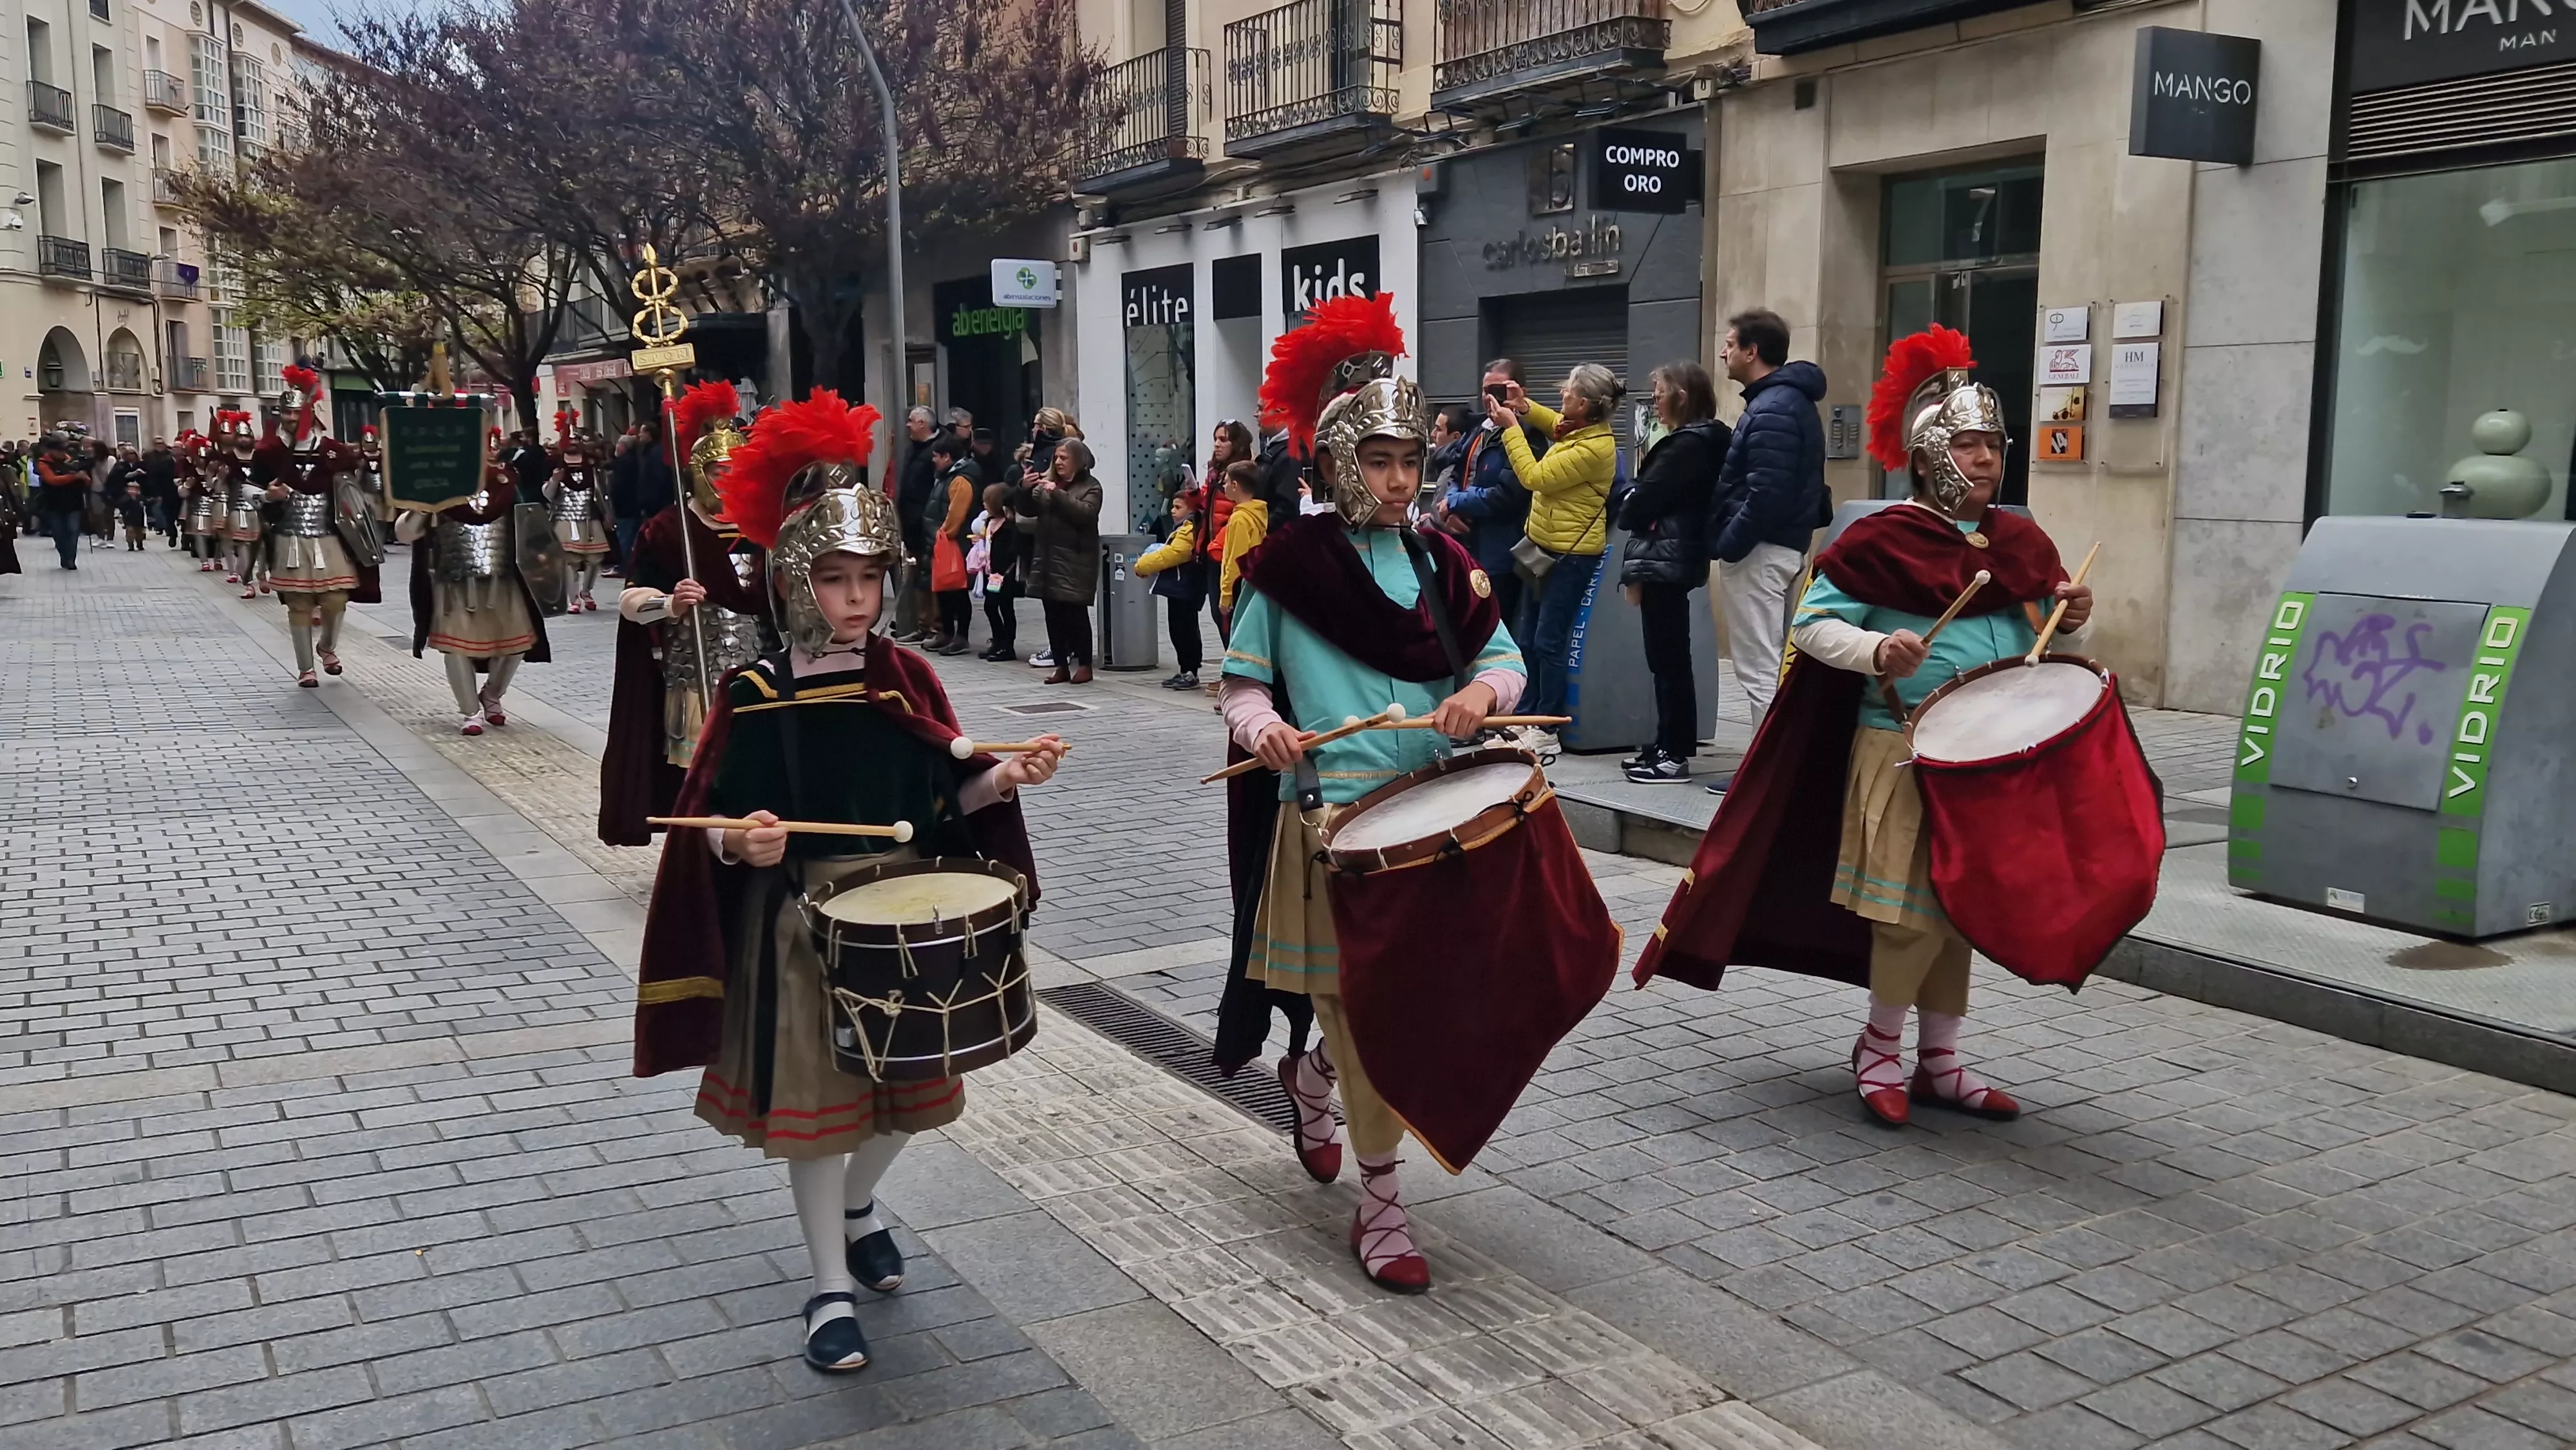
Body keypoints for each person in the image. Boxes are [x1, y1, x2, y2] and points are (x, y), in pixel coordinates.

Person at [630, 388, 1065, 1375]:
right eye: (834, 579)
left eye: (870, 577)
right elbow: (707, 823)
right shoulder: (756, 692)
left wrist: (1005, 774)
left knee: (918, 1105)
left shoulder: (908, 678)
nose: (857, 597)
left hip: (908, 917)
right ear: (797, 583)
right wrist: (744, 845)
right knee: (818, 1125)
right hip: (801, 927)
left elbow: (946, 791)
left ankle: (864, 1208)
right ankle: (829, 1283)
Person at [1634, 325, 2092, 1129]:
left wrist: (2071, 617)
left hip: (1991, 758)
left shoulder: (2020, 539)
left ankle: (1941, 1061)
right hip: (1904, 747)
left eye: (1993, 444)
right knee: (1909, 912)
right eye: (1970, 444)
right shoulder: (1880, 539)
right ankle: (1879, 1048)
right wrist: (1879, 646)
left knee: (1962, 914)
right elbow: (1810, 627)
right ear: (1929, 456)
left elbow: (2043, 632)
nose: (1986, 459)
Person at [1215, 292, 1526, 1295]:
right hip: (1331, 826)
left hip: (1435, 818)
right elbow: (1243, 681)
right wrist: (1263, 730)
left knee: (1415, 1004)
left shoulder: (1445, 561)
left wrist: (1480, 694)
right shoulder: (1288, 568)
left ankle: (1310, 1083)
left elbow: (1509, 660)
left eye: (1409, 461)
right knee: (1360, 1012)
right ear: (1337, 461)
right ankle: (1383, 1202)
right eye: (1379, 460)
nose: (1399, 480)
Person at [601, 381, 776, 847]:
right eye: (718, 471)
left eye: (736, 470)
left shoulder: (766, 528)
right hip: (693, 674)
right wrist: (670, 603)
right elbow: (631, 599)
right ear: (698, 472)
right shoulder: (668, 529)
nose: (727, 480)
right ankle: (698, 852)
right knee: (701, 776)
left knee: (756, 768)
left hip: (761, 672)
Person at [1707, 308, 1830, 744]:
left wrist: (1730, 543)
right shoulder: (1784, 402)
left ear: (1751, 351)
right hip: (1781, 546)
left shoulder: (1773, 408)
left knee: (1759, 667)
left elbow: (1767, 493)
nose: (1723, 354)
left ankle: (1762, 776)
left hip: (1762, 550)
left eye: (1730, 344)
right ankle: (1774, 769)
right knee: (1773, 663)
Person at [1615, 362, 1730, 784]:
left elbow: (1638, 505)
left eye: (1660, 393)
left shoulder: (1687, 446)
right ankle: (1666, 742)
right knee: (1667, 657)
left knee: (1668, 659)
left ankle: (1673, 753)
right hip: (1672, 557)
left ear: (1682, 395)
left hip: (1667, 559)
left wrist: (1633, 498)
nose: (1656, 403)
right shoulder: (1701, 442)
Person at [1488, 363, 1618, 736]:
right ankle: (1527, 711)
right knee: (1527, 635)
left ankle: (1546, 725)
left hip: (1570, 557)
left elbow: (1534, 477)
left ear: (1585, 403)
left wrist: (1512, 428)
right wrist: (1526, 407)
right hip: (1543, 548)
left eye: (1568, 391)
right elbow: (1554, 424)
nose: (1562, 394)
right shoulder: (1577, 429)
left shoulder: (1594, 447)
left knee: (1549, 641)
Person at [397, 428, 552, 735]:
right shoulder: (437, 487)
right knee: (455, 649)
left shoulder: (506, 484)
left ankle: (492, 694)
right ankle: (470, 712)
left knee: (517, 645)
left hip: (503, 579)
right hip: (453, 582)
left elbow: (530, 523)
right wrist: (423, 504)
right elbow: (404, 534)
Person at [256, 366, 379, 687]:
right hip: (289, 536)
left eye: (297, 413)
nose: (291, 419)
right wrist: (267, 495)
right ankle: (305, 669)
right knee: (298, 604)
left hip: (328, 535)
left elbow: (354, 489)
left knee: (336, 597)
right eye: (286, 413)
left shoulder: (333, 451)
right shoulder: (270, 452)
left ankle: (327, 646)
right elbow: (248, 486)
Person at [1442, 360, 1543, 634]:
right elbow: (1456, 472)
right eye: (1486, 389)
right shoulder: (1479, 430)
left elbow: (1507, 497)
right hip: (1464, 548)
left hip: (1500, 557)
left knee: (1495, 634)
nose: (1490, 398)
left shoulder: (1528, 436)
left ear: (1519, 391)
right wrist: (1449, 506)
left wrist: (1455, 502)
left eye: (1498, 389)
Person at [1012, 437, 1103, 684]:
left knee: (1075, 614)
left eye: (1065, 458)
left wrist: (1058, 494)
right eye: (1057, 457)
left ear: (1078, 460)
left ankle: (1084, 664)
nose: (1059, 462)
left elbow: (1085, 514)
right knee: (1052, 614)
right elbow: (1027, 509)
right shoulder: (1048, 482)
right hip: (1047, 559)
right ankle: (1061, 665)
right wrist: (1023, 488)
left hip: (1075, 559)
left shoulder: (1091, 487)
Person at [1133, 491, 1205, 689]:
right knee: (1177, 629)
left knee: (1186, 630)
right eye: (1173, 506)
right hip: (1178, 588)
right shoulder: (1181, 528)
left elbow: (1174, 553)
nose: (1172, 511)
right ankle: (1185, 669)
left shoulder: (1189, 529)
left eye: (1178, 507)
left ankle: (1191, 671)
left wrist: (1143, 565)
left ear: (1191, 510)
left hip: (1185, 588)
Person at [547, 419, 613, 612]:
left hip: (590, 518)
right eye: (571, 439)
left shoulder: (592, 468)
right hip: (565, 519)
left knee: (595, 558)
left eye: (577, 439)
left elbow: (601, 492)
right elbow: (548, 495)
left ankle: (587, 591)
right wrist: (554, 480)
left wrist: (608, 514)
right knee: (570, 561)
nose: (574, 442)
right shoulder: (556, 467)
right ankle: (573, 599)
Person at [925, 432, 980, 655]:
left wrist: (943, 533)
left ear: (947, 457)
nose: (933, 460)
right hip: (942, 541)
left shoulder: (961, 480)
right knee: (943, 590)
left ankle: (961, 636)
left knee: (957, 590)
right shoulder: (947, 476)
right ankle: (947, 633)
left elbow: (956, 515)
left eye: (936, 456)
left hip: (954, 542)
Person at [890, 408, 938, 644]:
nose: (907, 425)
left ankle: (936, 627)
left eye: (911, 421)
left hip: (928, 523)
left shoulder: (937, 449)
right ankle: (922, 625)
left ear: (922, 423)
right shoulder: (913, 448)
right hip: (911, 523)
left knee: (930, 576)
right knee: (917, 574)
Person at [976, 484, 1024, 662]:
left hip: (1005, 576)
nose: (984, 505)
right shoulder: (989, 523)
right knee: (990, 606)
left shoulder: (1009, 527)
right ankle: (998, 639)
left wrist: (1004, 573)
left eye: (987, 502)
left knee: (1006, 608)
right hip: (992, 575)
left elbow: (1011, 552)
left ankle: (1008, 645)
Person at [1215, 460, 1267, 618]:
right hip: (1252, 584)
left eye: (1226, 482)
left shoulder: (1240, 519)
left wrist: (1226, 595)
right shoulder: (1258, 513)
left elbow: (1236, 559)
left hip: (1239, 588)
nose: (1223, 486)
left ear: (1235, 486)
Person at [33, 440, 89, 570]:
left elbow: (86, 481)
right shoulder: (44, 463)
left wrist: (84, 478)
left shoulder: (72, 462)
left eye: (64, 450)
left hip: (74, 501)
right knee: (58, 532)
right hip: (54, 502)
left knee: (73, 530)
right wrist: (74, 477)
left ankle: (71, 559)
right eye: (59, 451)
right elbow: (52, 480)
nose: (62, 453)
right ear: (51, 451)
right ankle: (64, 555)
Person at [141, 438, 179, 545]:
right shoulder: (150, 456)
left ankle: (183, 537)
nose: (159, 445)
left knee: (179, 515)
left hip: (177, 489)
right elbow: (154, 476)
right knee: (168, 514)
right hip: (163, 489)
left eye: (161, 443)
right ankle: (171, 532)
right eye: (157, 443)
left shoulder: (170, 456)